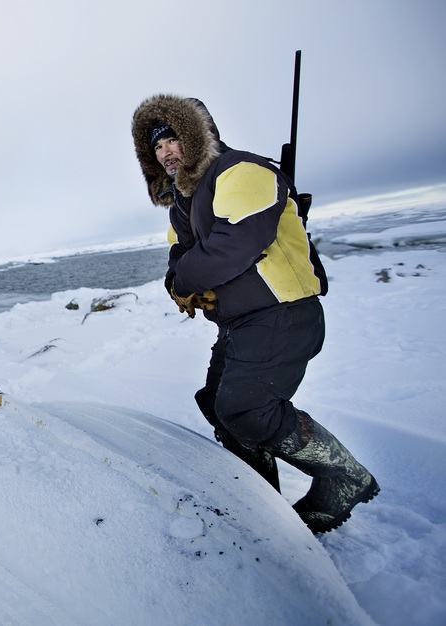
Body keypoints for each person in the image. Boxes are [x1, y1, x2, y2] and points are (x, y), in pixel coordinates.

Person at [130, 94, 379, 533]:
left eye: (172, 140)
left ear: (196, 135)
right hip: (242, 321)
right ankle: (261, 500)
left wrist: (185, 279)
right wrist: (178, 281)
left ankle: (344, 476)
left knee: (247, 408)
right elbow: (180, 252)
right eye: (156, 147)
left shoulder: (242, 171)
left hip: (282, 312)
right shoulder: (184, 200)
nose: (166, 152)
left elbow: (232, 246)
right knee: (218, 404)